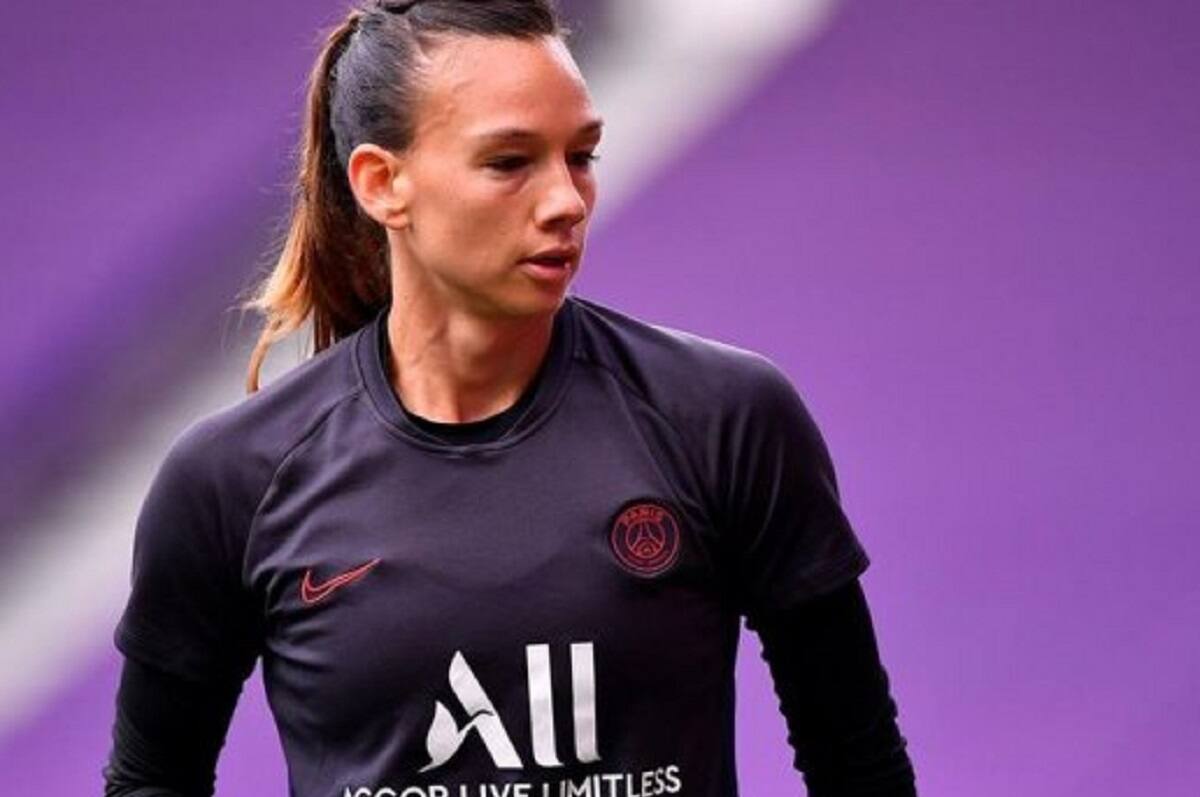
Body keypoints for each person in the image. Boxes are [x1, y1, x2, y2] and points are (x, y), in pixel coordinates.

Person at [103, 1, 917, 795]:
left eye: (582, 156)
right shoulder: (234, 479)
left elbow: (860, 765)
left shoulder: (723, 420)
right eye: (510, 162)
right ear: (383, 183)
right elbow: (149, 779)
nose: (566, 201)